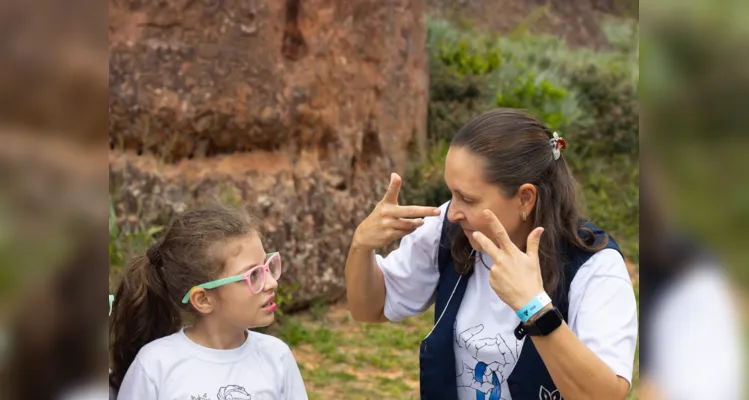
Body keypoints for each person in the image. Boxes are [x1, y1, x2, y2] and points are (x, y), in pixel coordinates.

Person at [345, 108, 638, 399]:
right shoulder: (451, 231)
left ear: (525, 198)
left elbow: (605, 395)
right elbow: (369, 308)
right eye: (452, 194)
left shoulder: (595, 267)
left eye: (468, 198)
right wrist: (361, 246)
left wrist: (534, 309)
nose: (453, 212)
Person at [109, 204, 308, 400]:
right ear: (203, 299)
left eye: (267, 266)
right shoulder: (154, 366)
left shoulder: (277, 356)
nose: (272, 283)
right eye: (253, 275)